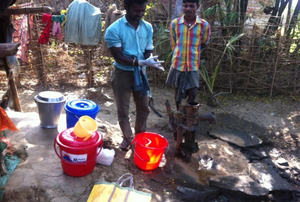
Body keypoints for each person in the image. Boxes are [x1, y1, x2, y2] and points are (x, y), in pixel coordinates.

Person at [104, 0, 164, 151]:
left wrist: (150, 61)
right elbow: (118, 57)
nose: (140, 13)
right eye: (137, 10)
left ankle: (140, 137)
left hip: (140, 72)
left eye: (143, 10)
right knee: (123, 109)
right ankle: (127, 138)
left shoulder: (147, 27)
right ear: (126, 7)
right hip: (122, 74)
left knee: (144, 108)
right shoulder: (114, 30)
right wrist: (143, 62)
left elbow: (148, 49)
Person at [166, 0, 211, 110]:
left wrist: (193, 51)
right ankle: (178, 114)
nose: (188, 8)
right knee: (177, 91)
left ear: (198, 7)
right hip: (178, 63)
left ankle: (187, 113)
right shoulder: (175, 24)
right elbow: (174, 43)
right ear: (182, 7)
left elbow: (204, 42)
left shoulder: (204, 25)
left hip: (193, 64)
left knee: (193, 91)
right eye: (185, 6)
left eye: (191, 6)